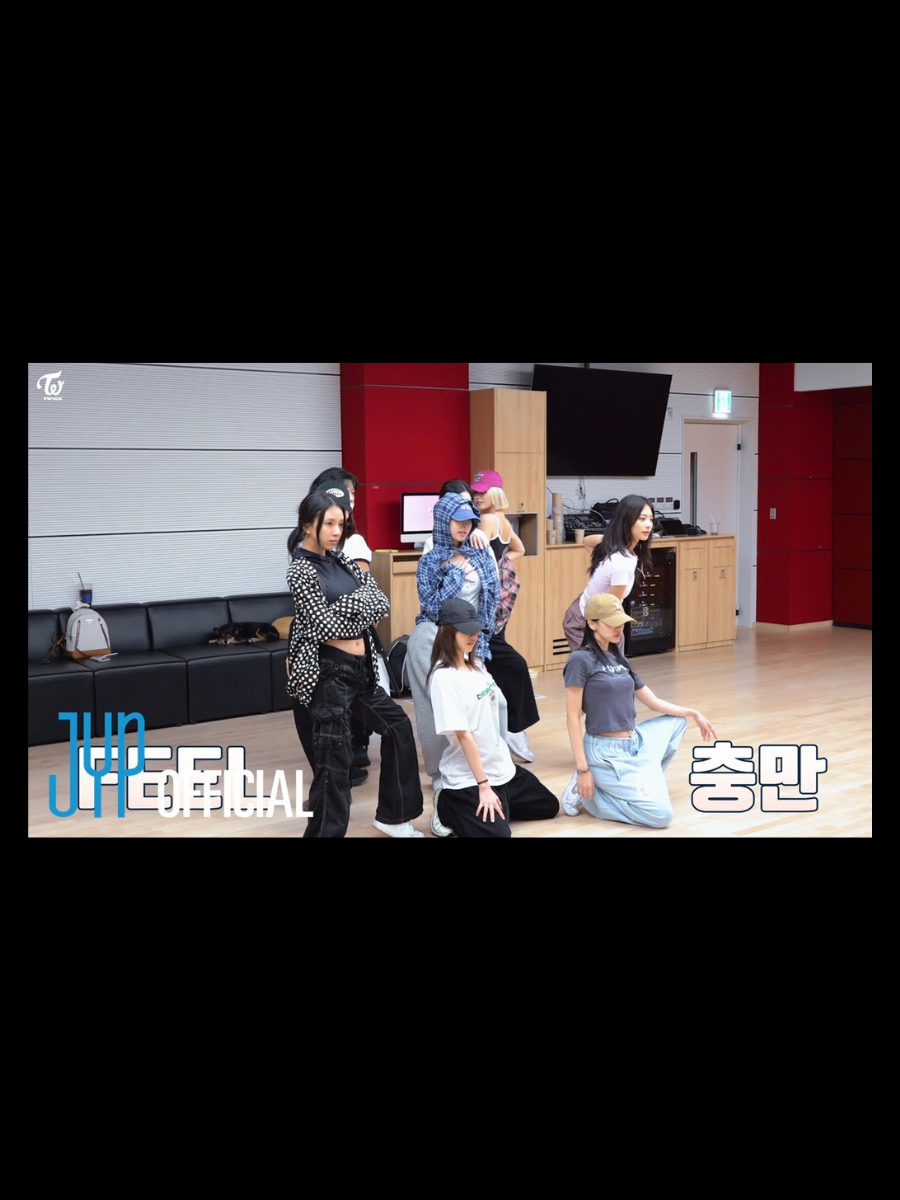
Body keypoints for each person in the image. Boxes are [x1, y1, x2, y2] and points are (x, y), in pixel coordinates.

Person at [286, 489, 425, 838]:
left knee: (398, 727)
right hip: (329, 675)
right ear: (307, 525)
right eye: (328, 524)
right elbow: (323, 626)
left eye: (341, 524)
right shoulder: (300, 571)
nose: (337, 531)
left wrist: (348, 609)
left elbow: (380, 601)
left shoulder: (343, 561)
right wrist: (358, 608)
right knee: (334, 765)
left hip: (362, 673)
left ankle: (393, 817)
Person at [560, 592, 716, 829]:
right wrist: (582, 769)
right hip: (605, 751)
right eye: (612, 623)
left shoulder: (619, 659)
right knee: (661, 815)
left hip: (633, 741)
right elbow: (572, 718)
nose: (619, 628)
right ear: (592, 624)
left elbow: (652, 702)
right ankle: (594, 798)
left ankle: (639, 781)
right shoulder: (580, 660)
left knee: (677, 723)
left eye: (621, 623)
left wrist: (693, 713)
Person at [406, 491, 500, 833]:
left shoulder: (480, 551)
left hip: (473, 640)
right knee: (436, 710)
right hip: (435, 638)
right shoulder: (431, 561)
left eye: (469, 520)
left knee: (494, 704)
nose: (464, 526)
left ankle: (488, 776)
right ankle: (441, 781)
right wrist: (456, 574)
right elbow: (431, 606)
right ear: (443, 522)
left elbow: (492, 600)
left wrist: (482, 644)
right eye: (457, 520)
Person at [428, 598, 560, 838]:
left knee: (548, 806)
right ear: (447, 631)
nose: (473, 635)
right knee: (500, 835)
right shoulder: (444, 678)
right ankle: (447, 802)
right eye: (466, 630)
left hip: (502, 768)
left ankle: (500, 807)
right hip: (470, 778)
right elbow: (464, 735)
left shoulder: (477, 666)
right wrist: (484, 785)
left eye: (476, 629)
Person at [294, 467, 373, 782]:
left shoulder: (351, 545)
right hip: (316, 648)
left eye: (352, 495)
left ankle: (344, 769)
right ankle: (330, 781)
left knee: (345, 715)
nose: (348, 500)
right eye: (342, 493)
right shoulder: (306, 552)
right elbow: (310, 611)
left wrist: (329, 615)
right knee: (317, 716)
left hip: (346, 649)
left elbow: (371, 600)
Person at [471, 468, 540, 764]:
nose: (477, 497)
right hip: (504, 598)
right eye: (475, 492)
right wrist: (501, 562)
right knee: (494, 657)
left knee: (497, 655)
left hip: (488, 600)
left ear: (495, 493)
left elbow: (475, 555)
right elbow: (519, 549)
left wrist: (491, 565)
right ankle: (507, 726)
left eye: (482, 492)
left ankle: (512, 726)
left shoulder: (486, 520)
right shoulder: (504, 521)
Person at [563, 495, 656, 652]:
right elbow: (611, 609)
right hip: (587, 621)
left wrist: (607, 549)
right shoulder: (621, 563)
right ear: (626, 520)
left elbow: (587, 541)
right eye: (642, 519)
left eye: (651, 519)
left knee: (612, 665)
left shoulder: (619, 549)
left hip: (595, 614)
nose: (648, 525)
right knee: (597, 665)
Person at [421, 480, 491, 554]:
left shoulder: (478, 536)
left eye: (469, 502)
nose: (465, 506)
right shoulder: (431, 543)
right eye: (458, 501)